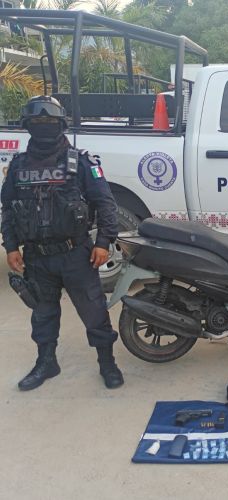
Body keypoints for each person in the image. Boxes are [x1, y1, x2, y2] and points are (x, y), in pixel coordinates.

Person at [1, 95, 124, 391]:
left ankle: (107, 363)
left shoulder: (80, 162)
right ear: (28, 126)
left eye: (49, 122)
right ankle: (46, 362)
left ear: (60, 125)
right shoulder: (18, 166)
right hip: (37, 256)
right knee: (43, 314)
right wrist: (11, 246)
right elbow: (8, 209)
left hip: (76, 254)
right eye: (37, 122)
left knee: (94, 313)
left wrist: (103, 242)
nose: (43, 126)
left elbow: (105, 204)